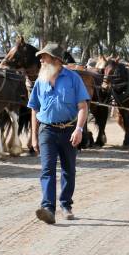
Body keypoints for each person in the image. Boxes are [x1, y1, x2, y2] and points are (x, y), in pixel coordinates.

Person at [28, 43, 90, 225]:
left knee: (68, 170)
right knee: (47, 170)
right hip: (46, 130)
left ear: (56, 60)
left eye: (44, 57)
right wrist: (33, 136)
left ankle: (66, 205)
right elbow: (34, 109)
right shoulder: (40, 80)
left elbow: (83, 107)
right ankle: (48, 208)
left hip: (69, 130)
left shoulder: (73, 78)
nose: (40, 60)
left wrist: (79, 129)